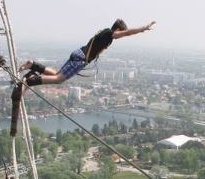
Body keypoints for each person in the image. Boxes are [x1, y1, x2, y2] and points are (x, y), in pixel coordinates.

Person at [9, 19, 155, 136]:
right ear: (118, 29)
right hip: (81, 59)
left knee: (55, 74)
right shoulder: (110, 34)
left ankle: (33, 65)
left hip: (78, 52)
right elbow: (127, 33)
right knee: (60, 79)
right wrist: (143, 28)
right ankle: (29, 81)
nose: (121, 36)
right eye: (121, 32)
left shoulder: (104, 32)